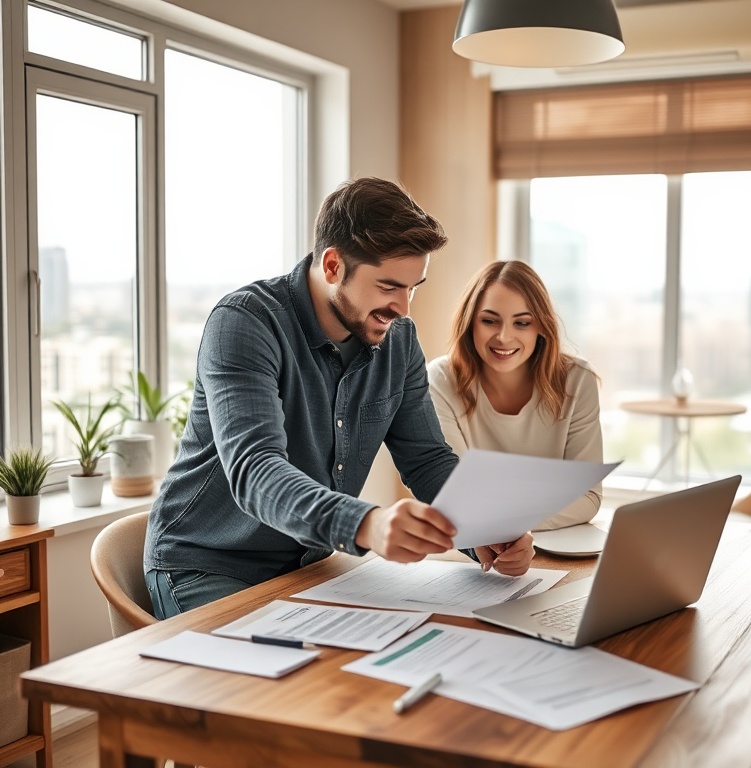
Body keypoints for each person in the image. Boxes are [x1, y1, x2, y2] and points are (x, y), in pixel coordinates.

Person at [144, 178, 533, 618]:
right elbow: (256, 470)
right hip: (209, 566)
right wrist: (367, 524)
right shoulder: (244, 324)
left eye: (413, 287)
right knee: (292, 685)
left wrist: (484, 526)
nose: (404, 307)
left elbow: (427, 460)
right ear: (332, 266)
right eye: (388, 287)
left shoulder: (398, 339)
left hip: (310, 567)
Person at [428, 260, 603, 530]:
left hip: (552, 544)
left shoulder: (578, 380)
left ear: (541, 327)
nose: (503, 337)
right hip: (476, 546)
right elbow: (459, 495)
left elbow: (588, 497)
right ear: (470, 323)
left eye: (522, 323)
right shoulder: (441, 379)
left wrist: (504, 522)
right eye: (489, 321)